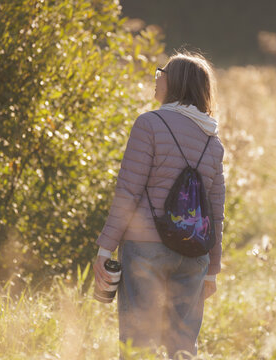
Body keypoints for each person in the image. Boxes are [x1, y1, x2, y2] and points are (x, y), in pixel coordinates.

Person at [93, 51, 225, 358]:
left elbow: (128, 190)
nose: (156, 78)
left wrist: (105, 248)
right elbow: (216, 212)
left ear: (175, 82)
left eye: (161, 73)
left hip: (145, 250)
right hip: (194, 255)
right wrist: (212, 270)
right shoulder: (212, 138)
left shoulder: (149, 124)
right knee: (182, 346)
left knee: (138, 344)